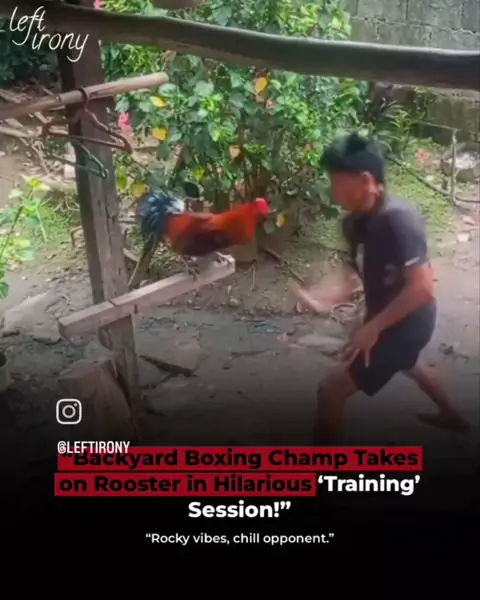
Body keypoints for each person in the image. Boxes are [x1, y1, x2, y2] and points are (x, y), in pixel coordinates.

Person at [290, 132, 468, 444]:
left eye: (337, 180)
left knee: (332, 389)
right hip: (386, 318)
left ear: (365, 180)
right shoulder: (355, 223)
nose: (332, 189)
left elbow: (422, 288)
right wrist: (320, 300)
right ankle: (453, 416)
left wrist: (373, 328)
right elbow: (352, 276)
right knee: (409, 364)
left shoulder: (399, 221)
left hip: (409, 323)